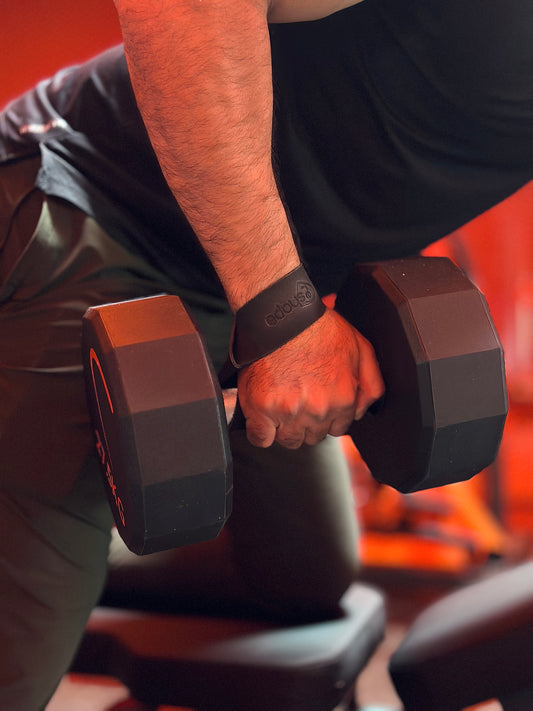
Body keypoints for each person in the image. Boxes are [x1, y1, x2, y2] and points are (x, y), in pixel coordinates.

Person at [1, 0, 532, 708]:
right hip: (92, 204)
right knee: (16, 659)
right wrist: (281, 317)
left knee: (295, 574)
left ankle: (66, 529)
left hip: (249, 280)